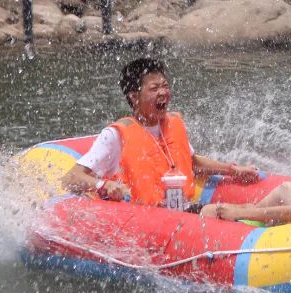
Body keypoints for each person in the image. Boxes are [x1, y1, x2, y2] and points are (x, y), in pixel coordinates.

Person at [61, 57, 261, 207]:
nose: (163, 92)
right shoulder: (115, 135)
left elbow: (193, 163)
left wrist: (233, 170)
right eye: (154, 88)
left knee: (220, 210)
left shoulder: (171, 124)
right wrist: (103, 185)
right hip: (143, 217)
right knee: (220, 213)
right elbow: (71, 178)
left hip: (180, 210)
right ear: (134, 97)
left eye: (165, 86)